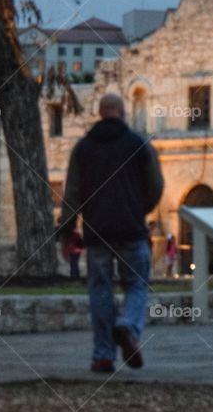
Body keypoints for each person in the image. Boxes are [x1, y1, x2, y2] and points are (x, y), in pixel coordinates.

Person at [57, 93, 164, 373]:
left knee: (100, 290)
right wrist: (140, 209)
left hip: (97, 230)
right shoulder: (139, 145)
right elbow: (156, 186)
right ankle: (128, 326)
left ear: (100, 113)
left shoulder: (83, 149)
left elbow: (72, 194)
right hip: (131, 228)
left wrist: (67, 230)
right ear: (122, 112)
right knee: (137, 284)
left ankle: (103, 355)